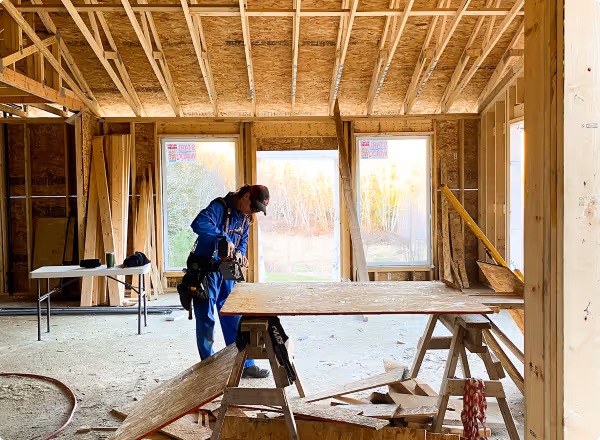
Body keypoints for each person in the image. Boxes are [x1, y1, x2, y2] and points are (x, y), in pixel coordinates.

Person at [190, 184, 271, 378]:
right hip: (206, 271)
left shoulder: (244, 216)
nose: (254, 212)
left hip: (227, 270)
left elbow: (242, 240)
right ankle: (208, 370)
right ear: (244, 196)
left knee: (234, 317)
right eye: (254, 207)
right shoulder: (219, 207)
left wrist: (240, 252)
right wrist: (224, 238)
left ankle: (245, 364)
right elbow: (198, 223)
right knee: (206, 321)